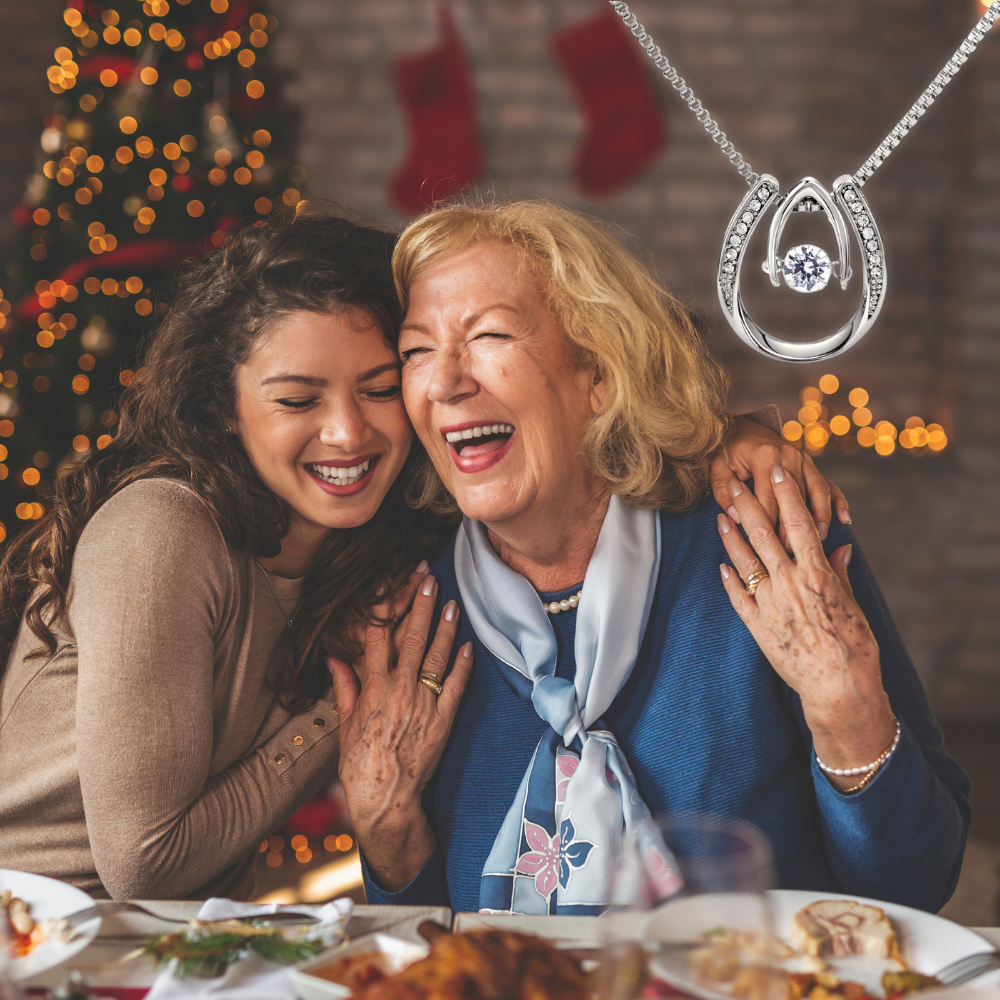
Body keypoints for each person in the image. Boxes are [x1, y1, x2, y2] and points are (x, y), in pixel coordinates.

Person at [0, 207, 815, 900]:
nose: (349, 433)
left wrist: (732, 440)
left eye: (383, 384)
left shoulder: (391, 533)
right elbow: (144, 865)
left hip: (174, 943)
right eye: (296, 399)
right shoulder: (163, 529)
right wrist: (338, 719)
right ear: (223, 410)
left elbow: (583, 422)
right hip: (42, 930)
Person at [333, 199, 970, 916]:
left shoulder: (763, 538)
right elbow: (418, 943)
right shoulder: (414, 609)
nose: (445, 381)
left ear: (598, 375)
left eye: (490, 335)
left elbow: (918, 885)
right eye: (416, 350)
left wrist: (845, 706)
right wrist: (386, 831)